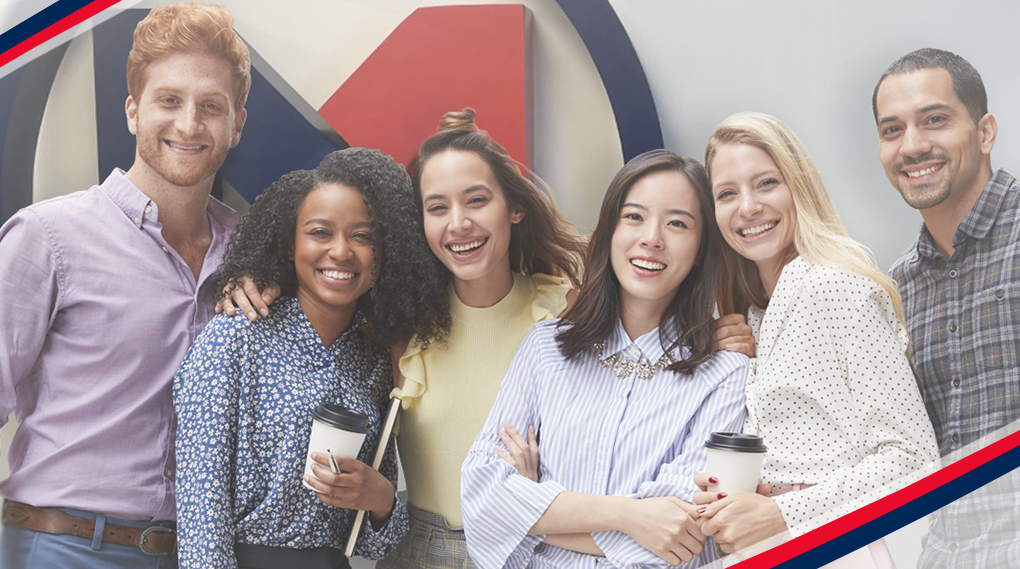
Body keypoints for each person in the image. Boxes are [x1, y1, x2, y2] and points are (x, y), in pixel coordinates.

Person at [218, 108, 586, 569]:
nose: (458, 223)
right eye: (437, 207)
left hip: (537, 548)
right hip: (422, 554)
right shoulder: (399, 324)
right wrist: (256, 280)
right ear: (419, 227)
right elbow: (326, 288)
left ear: (514, 207)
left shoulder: (566, 310)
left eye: (476, 200)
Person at [0, 4, 248, 567]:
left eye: (211, 106)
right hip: (61, 547)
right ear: (134, 111)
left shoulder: (252, 253)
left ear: (237, 123)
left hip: (201, 553)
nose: (188, 124)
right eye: (169, 100)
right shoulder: (47, 236)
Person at [460, 149, 749, 568]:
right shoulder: (546, 349)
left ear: (702, 247)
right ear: (610, 230)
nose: (652, 237)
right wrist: (630, 516)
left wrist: (532, 512)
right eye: (633, 216)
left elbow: (682, 535)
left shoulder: (725, 373)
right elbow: (483, 501)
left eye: (677, 223)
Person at [173, 148, 449, 569]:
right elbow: (200, 515)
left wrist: (381, 500)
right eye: (321, 232)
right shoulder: (236, 337)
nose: (342, 251)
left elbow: (375, 544)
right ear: (290, 244)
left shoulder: (374, 360)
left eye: (363, 236)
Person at [694, 112, 940, 566]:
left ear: (798, 186)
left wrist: (781, 512)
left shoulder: (837, 286)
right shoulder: (752, 317)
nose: (747, 207)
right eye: (727, 193)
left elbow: (915, 461)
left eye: (766, 183)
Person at [874, 48, 1020, 568]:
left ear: (985, 132)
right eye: (892, 130)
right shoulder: (894, 290)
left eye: (934, 120)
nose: (912, 146)